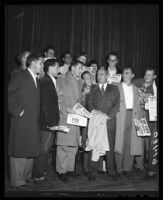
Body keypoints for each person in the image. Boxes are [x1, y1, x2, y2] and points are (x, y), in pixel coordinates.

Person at [8, 53, 43, 187]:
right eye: (40, 63)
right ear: (33, 62)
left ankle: (27, 176)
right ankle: (17, 181)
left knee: (29, 149)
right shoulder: (20, 76)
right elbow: (9, 96)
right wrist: (19, 112)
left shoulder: (35, 78)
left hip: (32, 121)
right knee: (19, 150)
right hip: (22, 120)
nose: (42, 66)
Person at [86, 68, 120, 181]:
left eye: (101, 74)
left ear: (107, 75)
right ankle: (93, 172)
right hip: (96, 122)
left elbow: (116, 105)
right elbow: (89, 103)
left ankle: (111, 171)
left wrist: (107, 116)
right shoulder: (92, 88)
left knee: (109, 147)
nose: (98, 76)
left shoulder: (114, 88)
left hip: (109, 122)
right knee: (94, 146)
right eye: (97, 74)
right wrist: (96, 113)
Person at [55, 59, 83, 182]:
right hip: (64, 116)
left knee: (73, 145)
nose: (81, 71)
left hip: (76, 117)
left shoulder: (80, 82)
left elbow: (79, 100)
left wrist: (84, 95)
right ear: (72, 68)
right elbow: (56, 99)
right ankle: (61, 171)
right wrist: (66, 109)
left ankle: (70, 169)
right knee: (63, 145)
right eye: (79, 68)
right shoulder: (61, 79)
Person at [32, 58, 60, 182]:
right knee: (43, 150)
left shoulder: (50, 80)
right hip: (46, 123)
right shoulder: (46, 82)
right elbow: (46, 105)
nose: (58, 70)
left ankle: (41, 172)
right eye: (57, 67)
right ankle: (38, 175)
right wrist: (51, 124)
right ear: (50, 68)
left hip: (49, 122)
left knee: (45, 149)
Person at [114, 66, 144, 179]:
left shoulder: (137, 89)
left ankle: (127, 168)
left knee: (131, 143)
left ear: (132, 75)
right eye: (124, 72)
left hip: (134, 116)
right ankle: (119, 169)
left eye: (128, 72)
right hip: (120, 116)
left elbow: (140, 105)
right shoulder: (116, 86)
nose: (125, 74)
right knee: (119, 143)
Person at [134, 67, 158, 179]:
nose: (146, 77)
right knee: (141, 144)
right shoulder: (139, 83)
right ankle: (141, 166)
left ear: (154, 77)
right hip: (141, 117)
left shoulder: (156, 88)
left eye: (149, 75)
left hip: (153, 120)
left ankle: (152, 170)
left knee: (152, 145)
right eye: (145, 74)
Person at [80, 71, 96, 175]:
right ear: (82, 80)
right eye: (86, 78)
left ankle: (93, 168)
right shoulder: (81, 89)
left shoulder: (96, 87)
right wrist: (83, 95)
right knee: (86, 143)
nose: (88, 79)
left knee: (94, 142)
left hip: (95, 119)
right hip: (85, 120)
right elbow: (79, 106)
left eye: (89, 77)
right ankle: (85, 168)